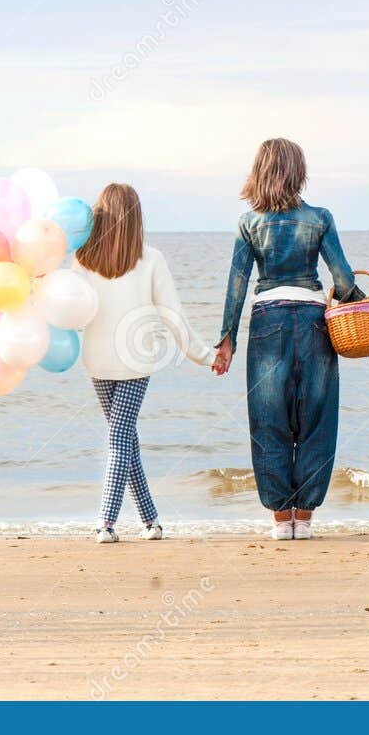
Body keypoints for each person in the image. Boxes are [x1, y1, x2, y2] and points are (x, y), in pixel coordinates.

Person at [213, 138, 363, 540]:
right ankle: (306, 518)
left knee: (269, 422)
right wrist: (359, 303)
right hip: (314, 321)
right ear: (299, 172)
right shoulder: (320, 218)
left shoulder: (249, 223)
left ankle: (281, 521)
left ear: (258, 172)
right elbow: (344, 280)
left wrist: (226, 339)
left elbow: (237, 285)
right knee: (316, 419)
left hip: (267, 324)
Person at [76, 183, 214, 543]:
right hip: (135, 361)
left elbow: (73, 315)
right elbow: (174, 317)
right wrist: (206, 355)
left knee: (121, 437)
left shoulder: (82, 260)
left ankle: (148, 522)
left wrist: (206, 357)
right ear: (136, 218)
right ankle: (110, 523)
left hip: (97, 361)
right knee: (123, 439)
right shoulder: (149, 259)